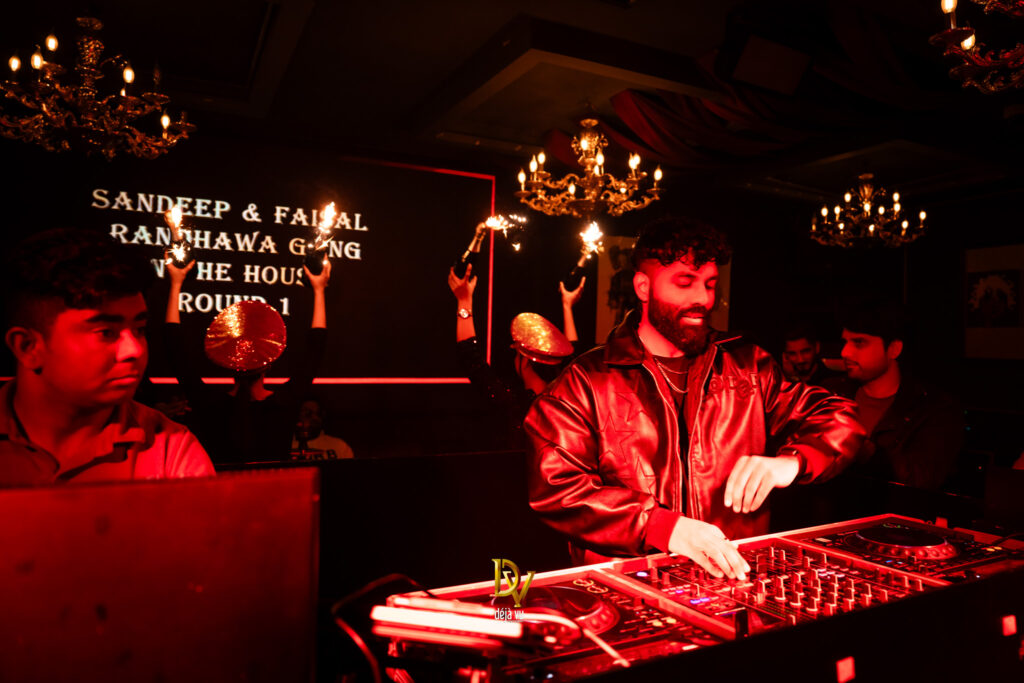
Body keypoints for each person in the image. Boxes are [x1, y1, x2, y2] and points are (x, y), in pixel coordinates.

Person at [524, 217, 865, 579]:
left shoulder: (748, 366)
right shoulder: (586, 380)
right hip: (629, 585)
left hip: (734, 580)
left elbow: (840, 418)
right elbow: (557, 488)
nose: (702, 298)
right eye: (684, 283)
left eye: (710, 284)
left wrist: (793, 461)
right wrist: (660, 527)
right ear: (643, 287)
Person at [1, 229, 214, 487]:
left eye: (139, 329)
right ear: (27, 347)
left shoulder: (171, 452)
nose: (134, 350)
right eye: (106, 332)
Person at [164, 257, 331, 463]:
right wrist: (319, 289)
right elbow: (315, 350)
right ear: (269, 363)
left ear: (227, 362)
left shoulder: (210, 405)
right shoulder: (284, 404)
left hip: (220, 485)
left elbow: (175, 351)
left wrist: (176, 283)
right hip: (276, 486)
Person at [824, 301, 965, 490]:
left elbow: (922, 479)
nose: (845, 352)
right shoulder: (832, 392)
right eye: (845, 342)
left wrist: (866, 452)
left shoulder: (934, 409)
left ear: (894, 349)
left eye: (859, 342)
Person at [781, 323, 843, 387]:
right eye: (792, 354)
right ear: (785, 355)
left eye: (805, 351)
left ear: (817, 347)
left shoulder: (833, 380)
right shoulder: (780, 382)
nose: (800, 360)